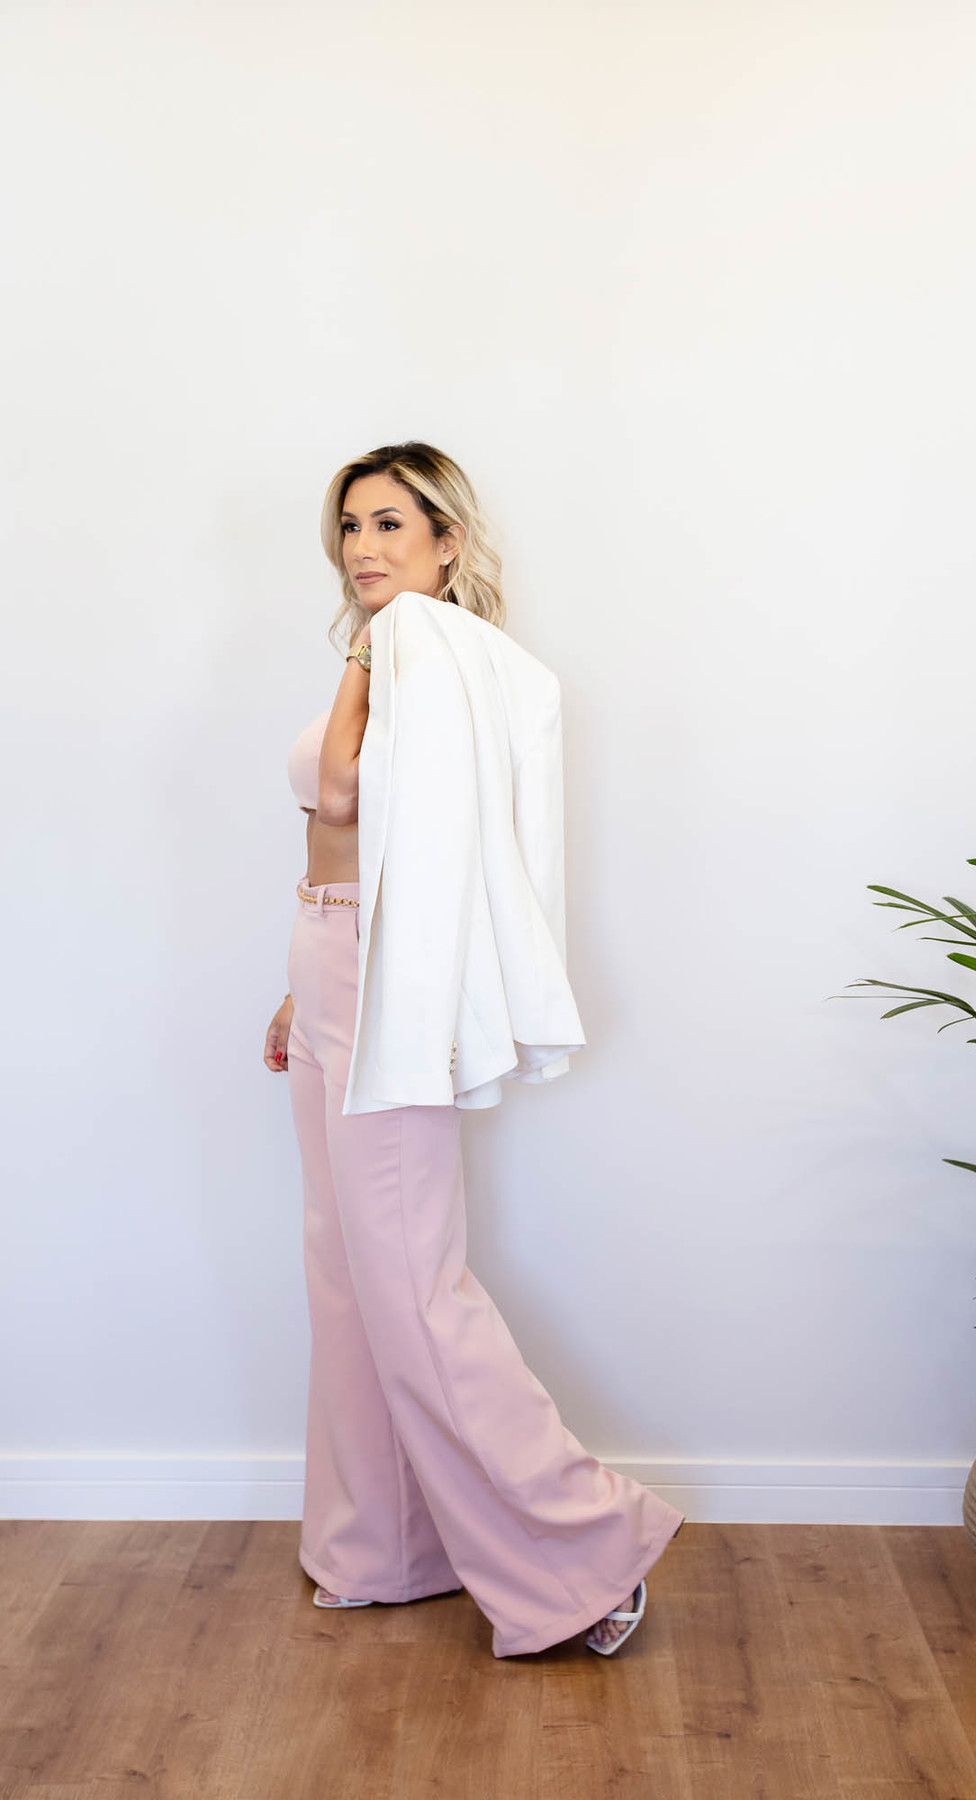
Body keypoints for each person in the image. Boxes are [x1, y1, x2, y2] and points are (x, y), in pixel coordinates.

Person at [263, 442, 684, 1657]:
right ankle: (386, 1548)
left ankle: (589, 1551)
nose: (363, 547)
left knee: (412, 1283)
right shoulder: (399, 646)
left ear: (447, 542)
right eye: (351, 526)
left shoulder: (418, 641)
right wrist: (298, 984)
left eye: (390, 524)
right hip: (329, 954)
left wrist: (363, 646)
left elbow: (342, 787)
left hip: (382, 974)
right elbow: (346, 838)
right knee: (347, 1275)